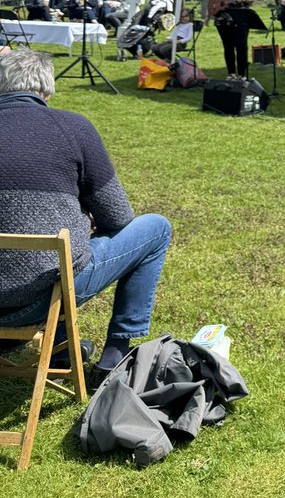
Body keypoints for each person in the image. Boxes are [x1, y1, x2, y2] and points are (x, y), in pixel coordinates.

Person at [0, 51, 171, 389]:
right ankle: (114, 356)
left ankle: (63, 350)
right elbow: (119, 217)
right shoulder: (72, 126)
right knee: (155, 228)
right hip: (39, 300)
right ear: (47, 92)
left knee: (55, 255)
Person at [208, 0, 255, 79]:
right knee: (228, 47)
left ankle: (242, 74)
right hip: (223, 18)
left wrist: (243, 0)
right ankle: (231, 73)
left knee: (242, 46)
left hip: (241, 18)